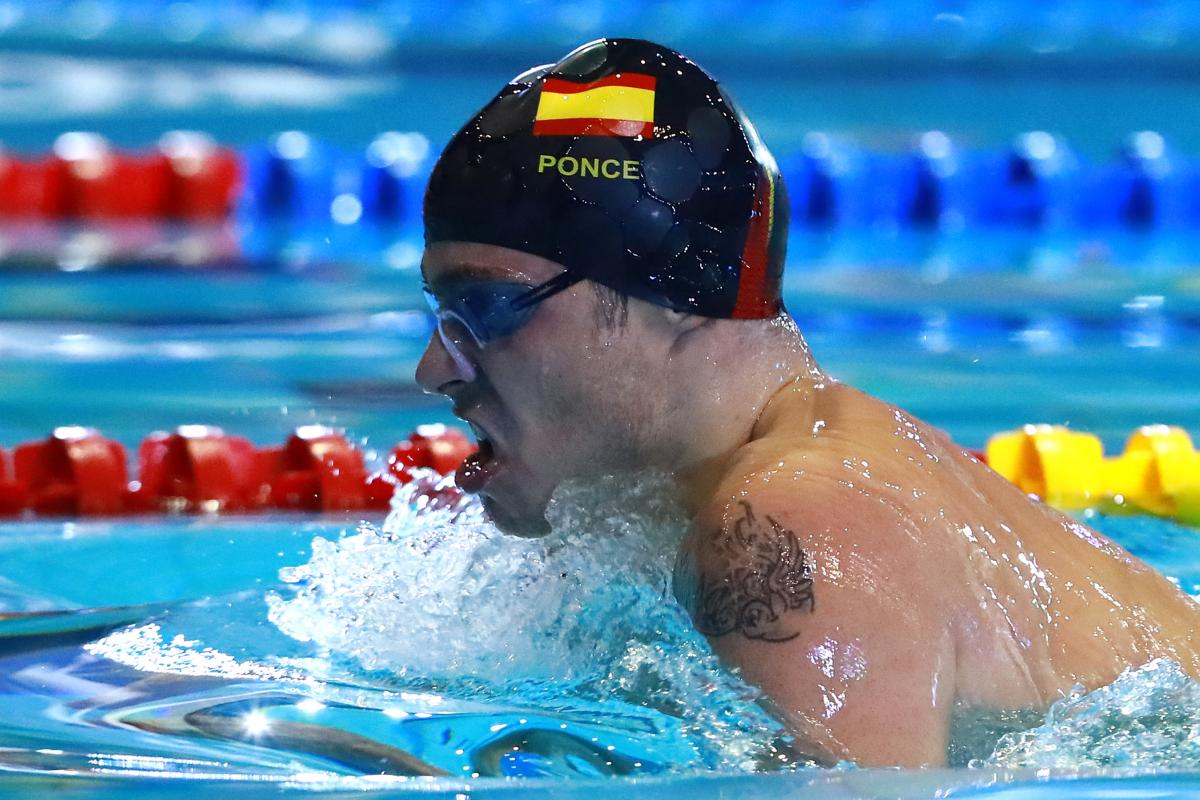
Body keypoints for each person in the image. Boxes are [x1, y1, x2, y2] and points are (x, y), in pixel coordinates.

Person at [415, 38, 1200, 767]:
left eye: (485, 308)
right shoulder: (706, 494)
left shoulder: (798, 519)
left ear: (681, 291)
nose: (433, 369)